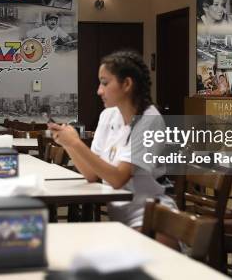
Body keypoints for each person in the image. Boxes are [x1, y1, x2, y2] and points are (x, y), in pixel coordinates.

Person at [48, 51, 176, 228]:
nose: (99, 91)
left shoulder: (149, 119)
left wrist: (76, 142)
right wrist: (69, 144)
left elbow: (118, 179)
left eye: (105, 83)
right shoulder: (108, 115)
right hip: (120, 216)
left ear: (127, 84)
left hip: (150, 216)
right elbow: (92, 174)